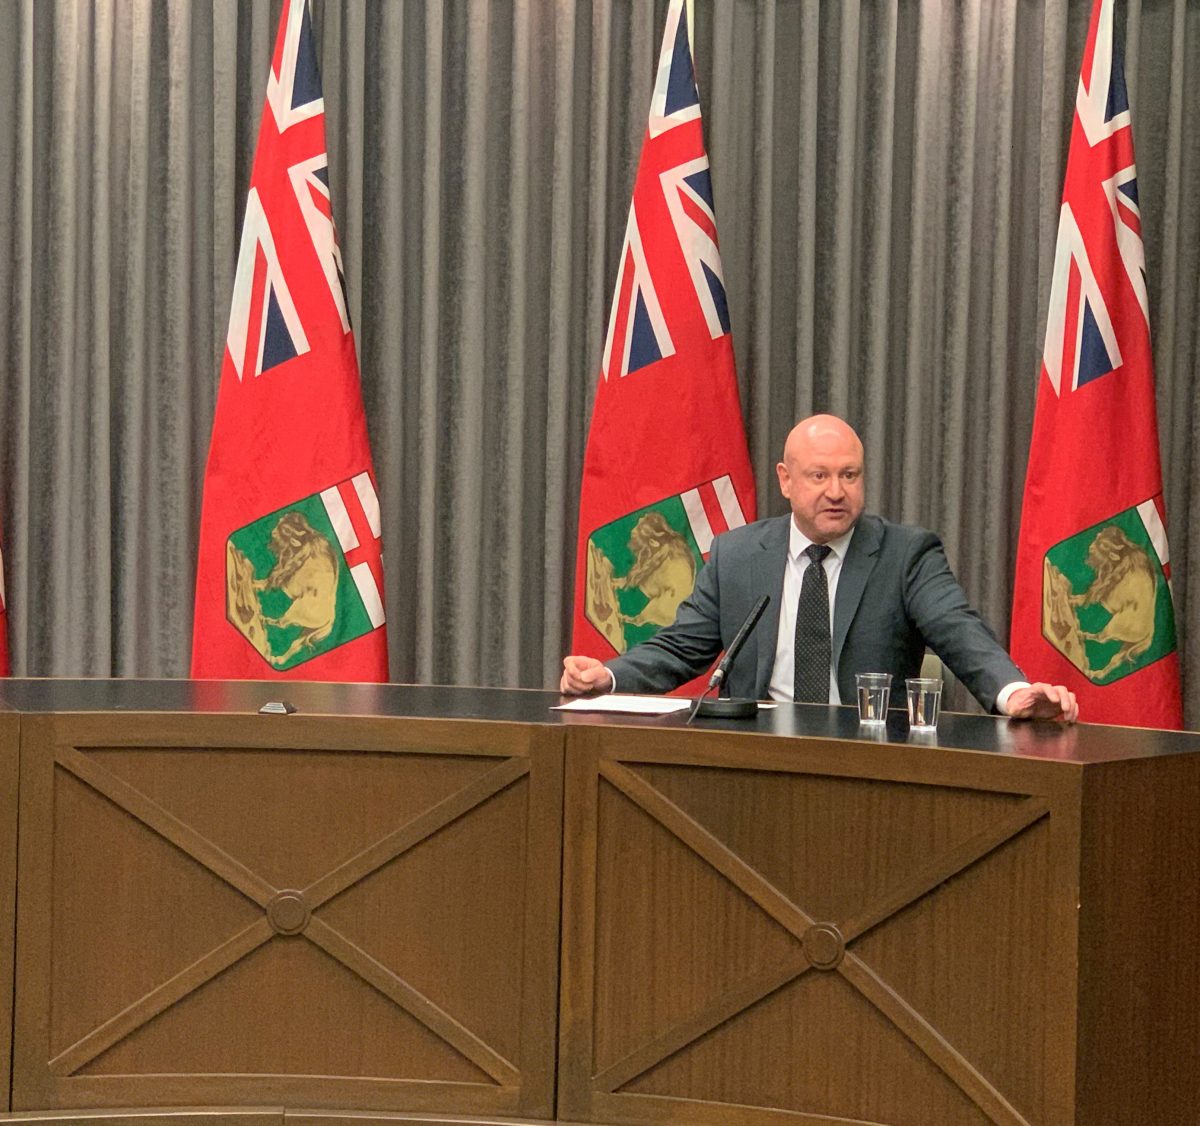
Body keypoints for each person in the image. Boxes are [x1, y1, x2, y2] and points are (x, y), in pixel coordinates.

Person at [561, 414, 1078, 722]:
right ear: (786, 480)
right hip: (753, 763)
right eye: (820, 476)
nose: (837, 491)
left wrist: (1013, 694)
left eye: (850, 475)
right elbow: (681, 647)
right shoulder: (737, 554)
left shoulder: (905, 555)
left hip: (866, 764)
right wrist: (606, 675)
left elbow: (961, 633)